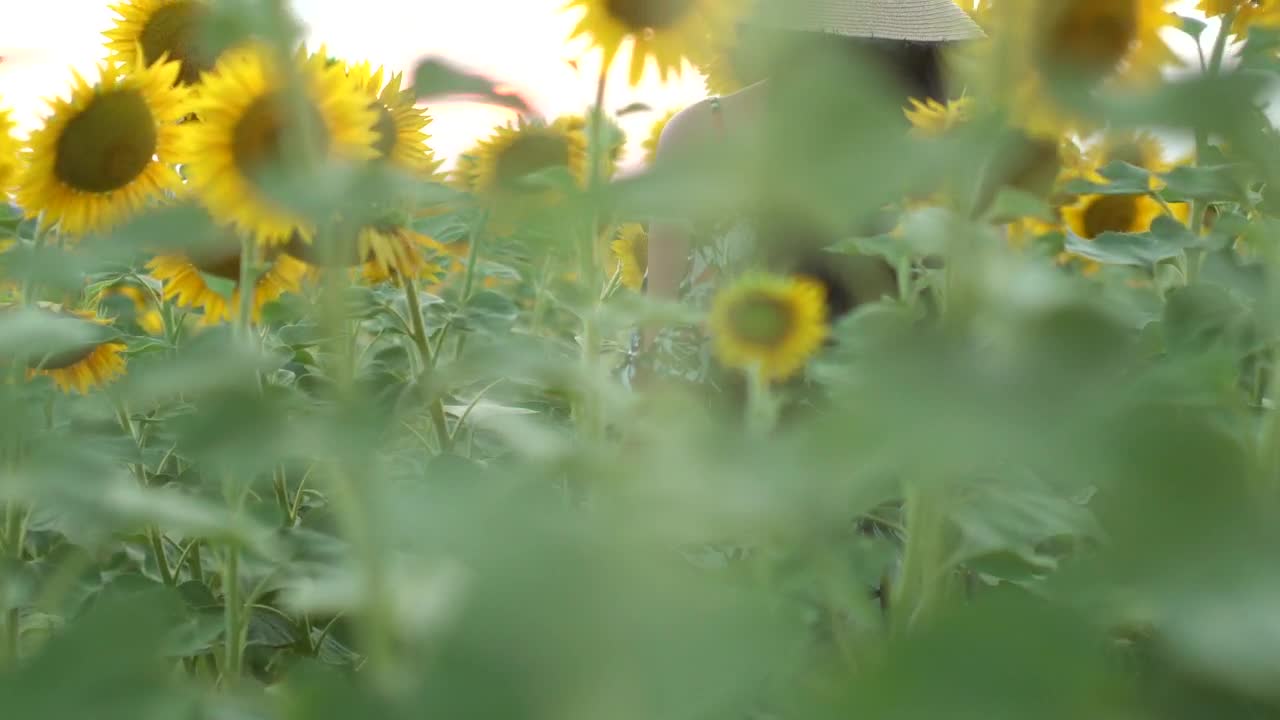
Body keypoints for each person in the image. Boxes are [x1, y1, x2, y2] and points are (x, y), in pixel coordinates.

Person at [632, 0, 984, 393]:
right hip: (732, 431)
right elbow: (657, 337)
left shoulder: (933, 142)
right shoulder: (703, 133)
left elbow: (656, 340)